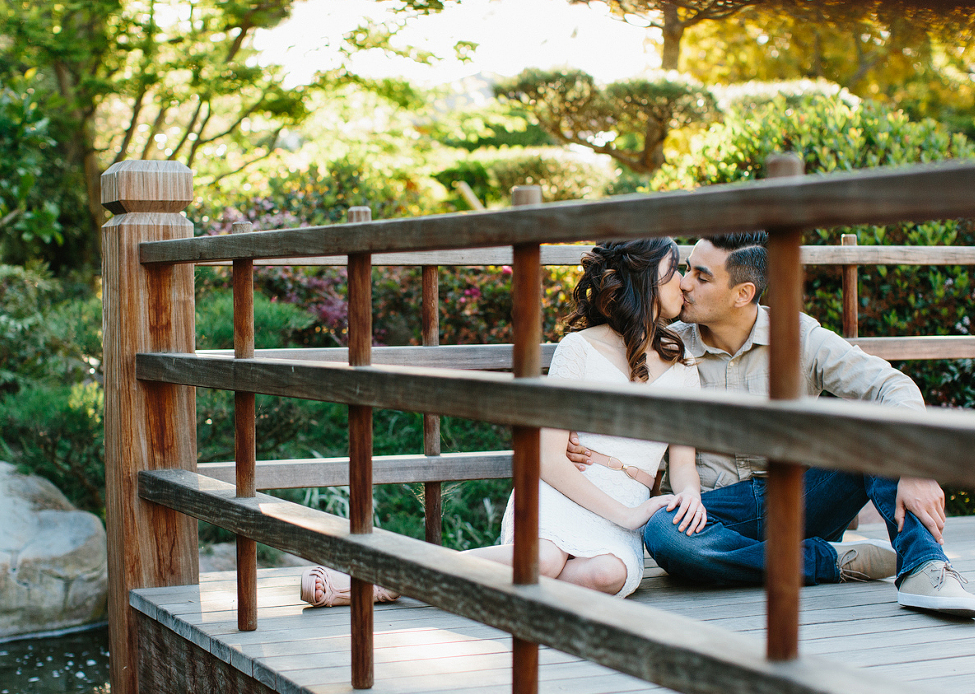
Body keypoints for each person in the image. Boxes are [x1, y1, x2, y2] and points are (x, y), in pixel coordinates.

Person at [569, 231, 975, 618]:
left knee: (873, 429)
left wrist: (914, 463)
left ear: (743, 293)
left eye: (701, 275)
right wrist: (587, 444)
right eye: (686, 270)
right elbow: (609, 387)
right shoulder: (667, 346)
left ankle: (925, 568)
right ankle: (826, 560)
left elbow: (893, 387)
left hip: (801, 496)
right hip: (717, 511)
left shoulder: (800, 337)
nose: (683, 284)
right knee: (663, 534)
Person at [301, 237, 707, 607]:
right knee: (543, 559)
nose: (686, 284)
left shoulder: (683, 368)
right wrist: (625, 515)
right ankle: (391, 577)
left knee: (606, 574)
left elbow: (683, 464)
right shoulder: (579, 348)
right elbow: (548, 459)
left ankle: (475, 578)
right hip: (565, 486)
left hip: (628, 497)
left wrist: (689, 496)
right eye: (677, 273)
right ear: (644, 284)